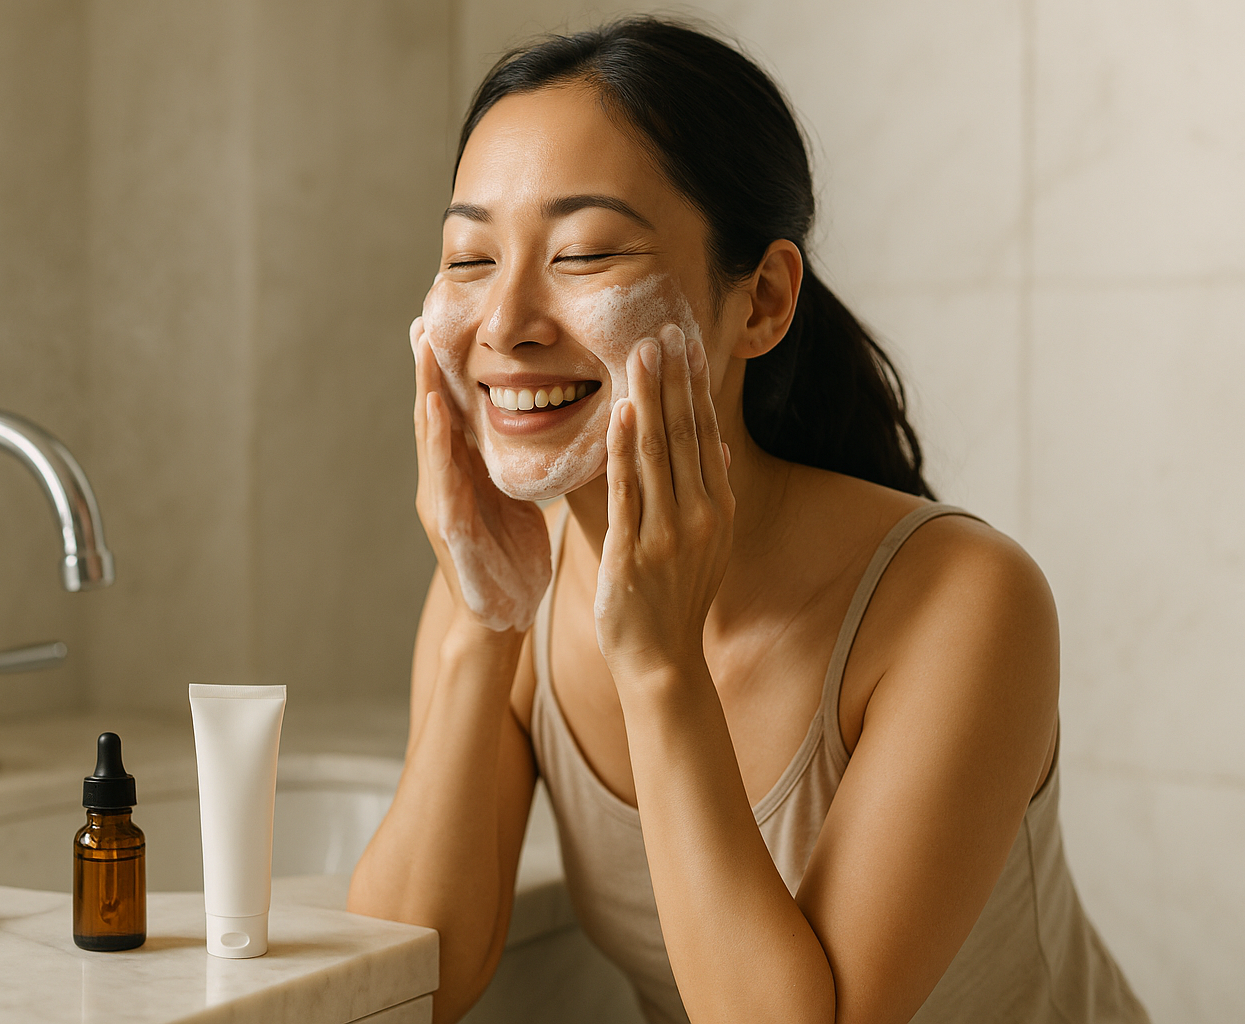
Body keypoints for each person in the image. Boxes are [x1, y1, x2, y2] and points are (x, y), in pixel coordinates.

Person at [347, 17, 1148, 1024]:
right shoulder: (511, 580)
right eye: (469, 260)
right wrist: (484, 619)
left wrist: (658, 664)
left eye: (585, 253)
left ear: (762, 300)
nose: (506, 323)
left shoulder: (966, 603)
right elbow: (414, 980)